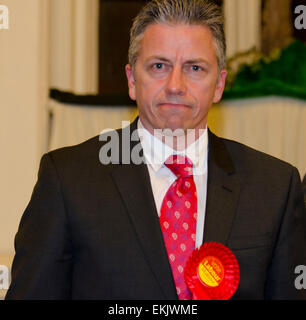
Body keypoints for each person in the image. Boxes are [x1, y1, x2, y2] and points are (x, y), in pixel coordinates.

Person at [6, 0, 306, 300]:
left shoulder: (275, 187)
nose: (175, 85)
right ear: (132, 80)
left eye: (195, 67)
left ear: (219, 84)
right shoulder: (68, 181)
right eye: (159, 66)